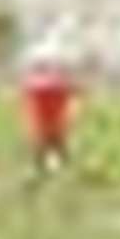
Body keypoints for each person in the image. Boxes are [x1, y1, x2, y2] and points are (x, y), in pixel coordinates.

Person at [21, 19, 81, 186]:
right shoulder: (45, 54)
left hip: (50, 94)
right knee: (48, 132)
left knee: (52, 132)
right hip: (45, 94)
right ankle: (47, 164)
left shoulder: (49, 55)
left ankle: (49, 164)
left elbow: (71, 85)